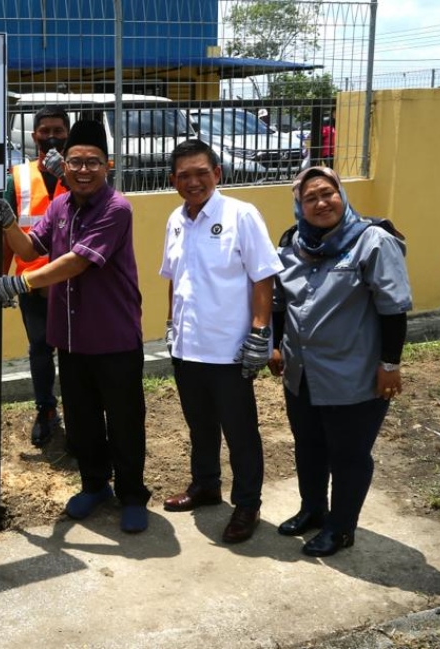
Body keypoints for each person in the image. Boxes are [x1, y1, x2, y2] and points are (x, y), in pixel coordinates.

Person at [0, 120, 152, 533]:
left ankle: (132, 494)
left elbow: (76, 262)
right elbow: (30, 248)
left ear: (107, 165)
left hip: (113, 337)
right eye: (76, 161)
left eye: (92, 162)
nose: (82, 169)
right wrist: (9, 223)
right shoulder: (58, 207)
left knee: (124, 420)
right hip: (71, 338)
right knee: (82, 421)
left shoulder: (117, 209)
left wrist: (19, 282)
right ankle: (96, 486)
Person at [270, 167, 411, 557]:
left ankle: (341, 528)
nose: (320, 203)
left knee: (348, 455)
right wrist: (277, 345)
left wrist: (390, 364)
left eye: (327, 193)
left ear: (341, 195)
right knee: (309, 446)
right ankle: (313, 510)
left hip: (354, 374)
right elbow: (281, 302)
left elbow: (393, 309)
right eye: (310, 197)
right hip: (302, 373)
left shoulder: (372, 241)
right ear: (299, 205)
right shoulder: (291, 242)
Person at [159, 139, 284, 544]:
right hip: (188, 347)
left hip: (230, 350)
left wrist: (260, 331)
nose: (193, 182)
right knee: (200, 426)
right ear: (173, 181)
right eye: (184, 175)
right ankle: (206, 486)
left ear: (217, 174)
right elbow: (175, 278)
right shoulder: (175, 220)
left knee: (241, 432)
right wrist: (169, 325)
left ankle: (247, 504)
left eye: (201, 173)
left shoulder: (240, 215)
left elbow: (263, 275)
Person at [1, 106, 69, 447]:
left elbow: (105, 207)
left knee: (75, 351)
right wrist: (1, 279)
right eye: (45, 130)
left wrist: (69, 177)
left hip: (75, 283)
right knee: (40, 349)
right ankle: (46, 410)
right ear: (34, 136)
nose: (52, 136)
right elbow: (8, 233)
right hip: (32, 282)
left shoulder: (84, 172)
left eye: (58, 129)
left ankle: (79, 410)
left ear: (68, 133)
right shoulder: (18, 177)